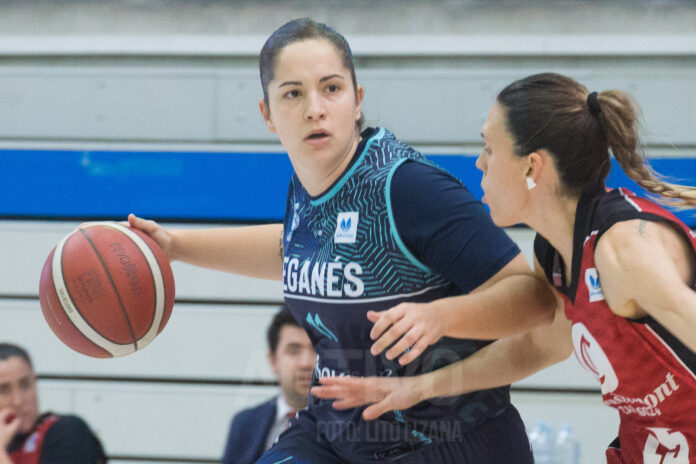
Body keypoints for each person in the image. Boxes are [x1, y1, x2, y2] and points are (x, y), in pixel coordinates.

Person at [129, 18, 558, 463]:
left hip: (446, 440)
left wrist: (440, 315)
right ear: (267, 114)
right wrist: (176, 247)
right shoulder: (308, 186)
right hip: (334, 433)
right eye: (293, 93)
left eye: (331, 88)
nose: (314, 108)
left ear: (357, 100)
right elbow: (293, 249)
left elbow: (531, 299)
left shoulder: (407, 188)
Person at [312, 72, 696, 464]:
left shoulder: (623, 247)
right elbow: (538, 345)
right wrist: (418, 389)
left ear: (531, 167)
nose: (480, 163)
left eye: (490, 148)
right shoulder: (556, 254)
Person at [221, 306, 315, 464]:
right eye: (294, 351)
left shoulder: (349, 425)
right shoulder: (244, 424)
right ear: (273, 361)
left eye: (316, 349)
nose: (306, 363)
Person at [0, 343, 107, 464]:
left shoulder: (67, 430)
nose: (18, 401)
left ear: (35, 383)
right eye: (4, 390)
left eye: (25, 385)